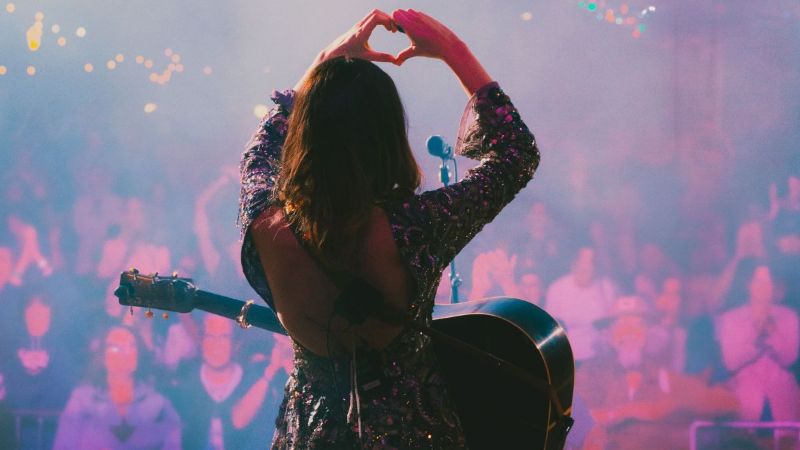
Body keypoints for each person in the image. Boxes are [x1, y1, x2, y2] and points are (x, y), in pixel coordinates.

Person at [238, 8, 539, 448]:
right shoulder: (417, 227)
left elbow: (261, 149)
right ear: (388, 134)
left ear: (306, 133)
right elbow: (516, 155)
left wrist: (322, 65)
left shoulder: (267, 224)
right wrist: (454, 51)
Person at [53, 326, 181, 450]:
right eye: (115, 347)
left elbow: (172, 444)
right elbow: (64, 444)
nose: (125, 352)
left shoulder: (159, 405)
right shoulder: (81, 400)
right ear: (103, 357)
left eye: (131, 346)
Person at [715, 259, 799, 421]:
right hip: (745, 400)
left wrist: (773, 334)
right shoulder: (731, 319)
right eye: (759, 281)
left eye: (768, 282)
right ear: (748, 285)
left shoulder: (789, 317)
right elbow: (731, 361)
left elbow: (790, 358)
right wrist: (756, 339)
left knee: (786, 442)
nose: (764, 287)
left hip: (783, 400)